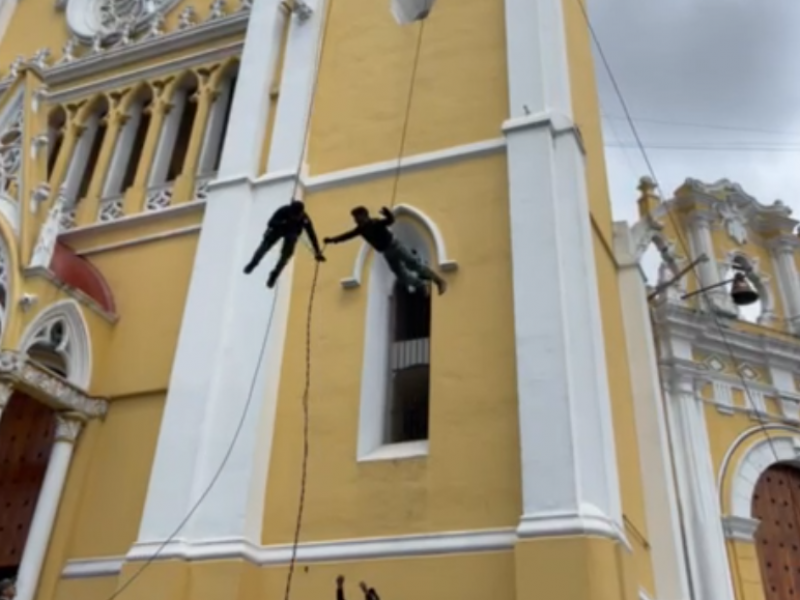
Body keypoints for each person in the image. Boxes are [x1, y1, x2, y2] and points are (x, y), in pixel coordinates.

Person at [324, 206, 447, 295]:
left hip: (395, 246)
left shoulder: (375, 222)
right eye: (354, 218)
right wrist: (332, 240)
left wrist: (388, 214)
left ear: (364, 216)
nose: (355, 220)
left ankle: (439, 281)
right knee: (400, 274)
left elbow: (389, 221)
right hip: (387, 253)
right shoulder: (360, 230)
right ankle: (421, 284)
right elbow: (346, 236)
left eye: (356, 217)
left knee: (413, 264)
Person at [243, 199, 325, 288]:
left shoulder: (305, 218)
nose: (296, 217)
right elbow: (270, 223)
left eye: (298, 215)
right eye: (294, 215)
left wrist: (317, 251)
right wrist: (283, 223)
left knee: (286, 256)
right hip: (279, 229)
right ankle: (253, 263)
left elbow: (312, 235)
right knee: (264, 247)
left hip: (291, 233)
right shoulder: (283, 210)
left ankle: (274, 275)